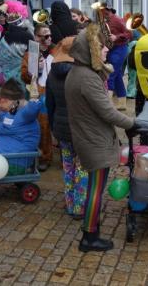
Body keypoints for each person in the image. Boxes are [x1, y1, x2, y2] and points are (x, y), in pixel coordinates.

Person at [65, 24, 136, 252]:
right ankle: (89, 237)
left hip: (89, 138)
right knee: (96, 190)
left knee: (96, 188)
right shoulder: (86, 78)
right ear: (90, 51)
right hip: (94, 142)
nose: (107, 50)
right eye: (102, 47)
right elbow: (108, 111)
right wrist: (134, 124)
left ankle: (92, 231)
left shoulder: (80, 72)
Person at [45, 35, 88, 219]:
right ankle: (80, 207)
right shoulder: (80, 73)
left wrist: (53, 127)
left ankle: (70, 204)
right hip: (80, 128)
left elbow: (49, 104)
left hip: (61, 127)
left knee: (68, 167)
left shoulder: (52, 74)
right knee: (82, 168)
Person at [21, 24, 55, 171]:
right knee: (43, 125)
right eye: (45, 36)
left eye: (50, 36)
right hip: (40, 92)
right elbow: (24, 76)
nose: (49, 39)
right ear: (36, 37)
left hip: (57, 91)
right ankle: (44, 156)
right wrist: (34, 69)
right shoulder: (31, 54)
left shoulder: (57, 50)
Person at [97, 5, 132, 111]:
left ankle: (107, 105)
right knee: (116, 77)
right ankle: (122, 104)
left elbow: (129, 33)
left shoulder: (117, 20)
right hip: (111, 49)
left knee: (110, 74)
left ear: (108, 11)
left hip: (120, 49)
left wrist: (116, 37)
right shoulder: (103, 20)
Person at [0, 1, 34, 90]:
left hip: (7, 79)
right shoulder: (29, 37)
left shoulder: (3, 39)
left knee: (11, 100)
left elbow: (0, 59)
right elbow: (34, 61)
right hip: (25, 78)